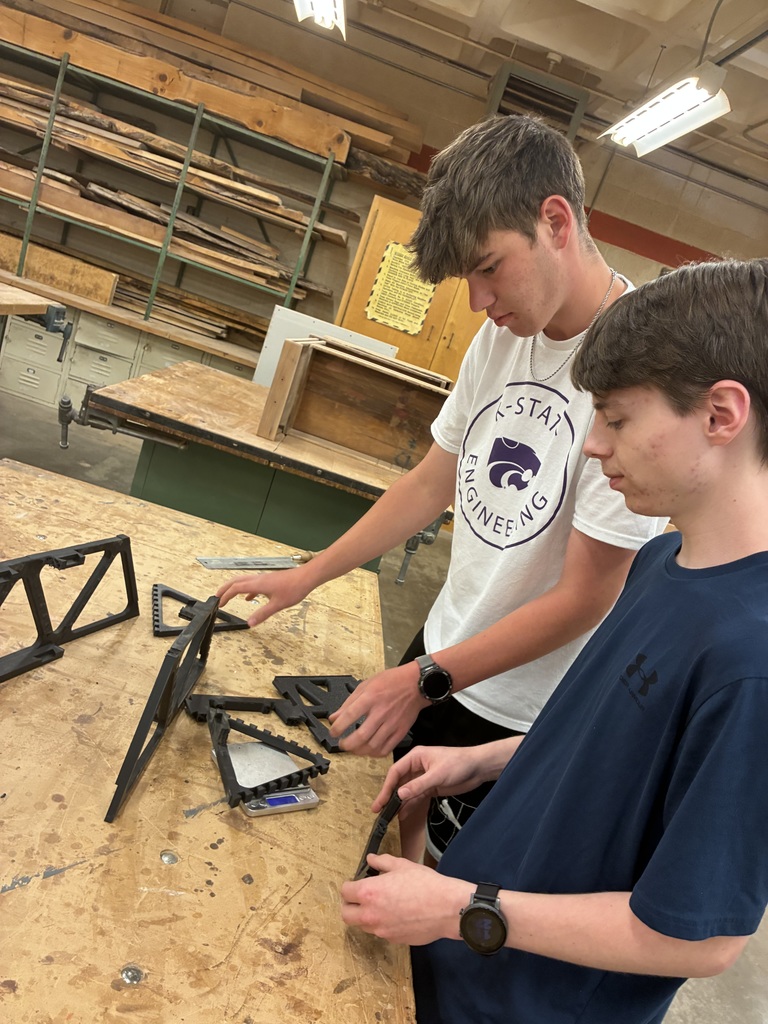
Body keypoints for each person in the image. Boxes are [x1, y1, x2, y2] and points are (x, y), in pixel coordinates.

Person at [216, 114, 664, 859]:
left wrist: (425, 680)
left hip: (518, 707)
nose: (479, 301)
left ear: (556, 220)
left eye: (489, 267)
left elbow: (589, 595)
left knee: (450, 907)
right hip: (443, 651)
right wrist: (311, 574)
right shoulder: (503, 338)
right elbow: (433, 481)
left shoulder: (635, 373)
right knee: (388, 849)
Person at [339, 257, 768, 1024]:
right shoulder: (663, 563)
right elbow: (605, 747)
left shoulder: (751, 662)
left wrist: (463, 909)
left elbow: (700, 940)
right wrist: (484, 759)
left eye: (619, 418)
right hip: (466, 965)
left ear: (721, 415)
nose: (595, 446)